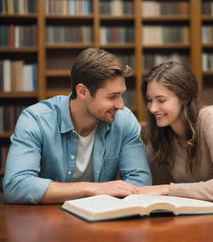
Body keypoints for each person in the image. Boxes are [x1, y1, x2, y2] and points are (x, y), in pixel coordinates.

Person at [3, 48, 152, 204]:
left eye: (121, 95)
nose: (121, 105)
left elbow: (141, 182)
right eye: (112, 96)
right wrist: (93, 189)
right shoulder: (36, 120)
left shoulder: (124, 121)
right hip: (48, 219)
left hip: (102, 218)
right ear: (82, 92)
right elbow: (16, 185)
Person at [139, 60, 213, 215]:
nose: (153, 108)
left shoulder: (210, 117)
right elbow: (152, 188)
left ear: (185, 98)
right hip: (204, 210)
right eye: (149, 100)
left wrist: (168, 189)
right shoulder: (158, 134)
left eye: (161, 100)